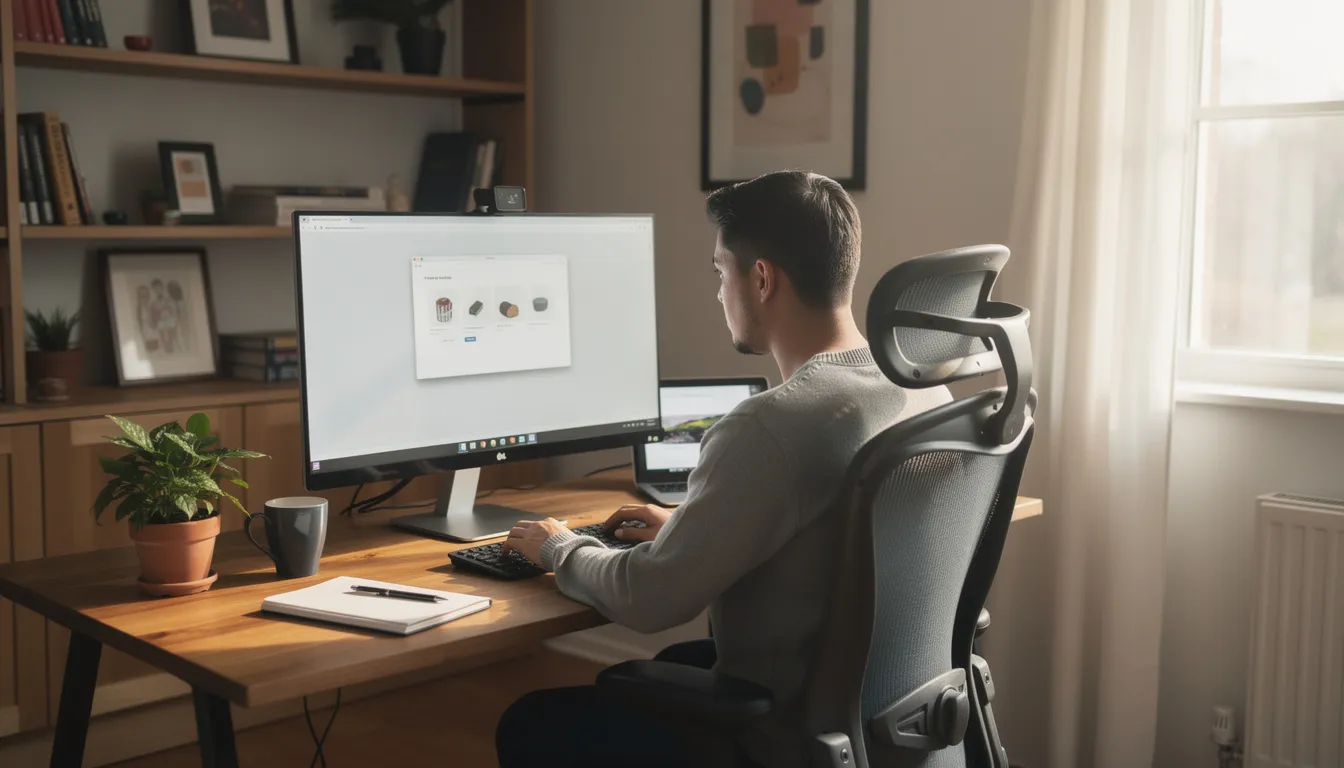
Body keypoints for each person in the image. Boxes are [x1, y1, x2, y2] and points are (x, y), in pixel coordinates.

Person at [495, 170, 952, 767]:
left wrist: (559, 546)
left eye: (719, 272)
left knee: (531, 723)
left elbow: (648, 600)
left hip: (787, 733)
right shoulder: (919, 390)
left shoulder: (768, 426)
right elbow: (833, 533)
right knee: (671, 670)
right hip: (891, 722)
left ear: (761, 278)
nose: (718, 293)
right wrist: (692, 528)